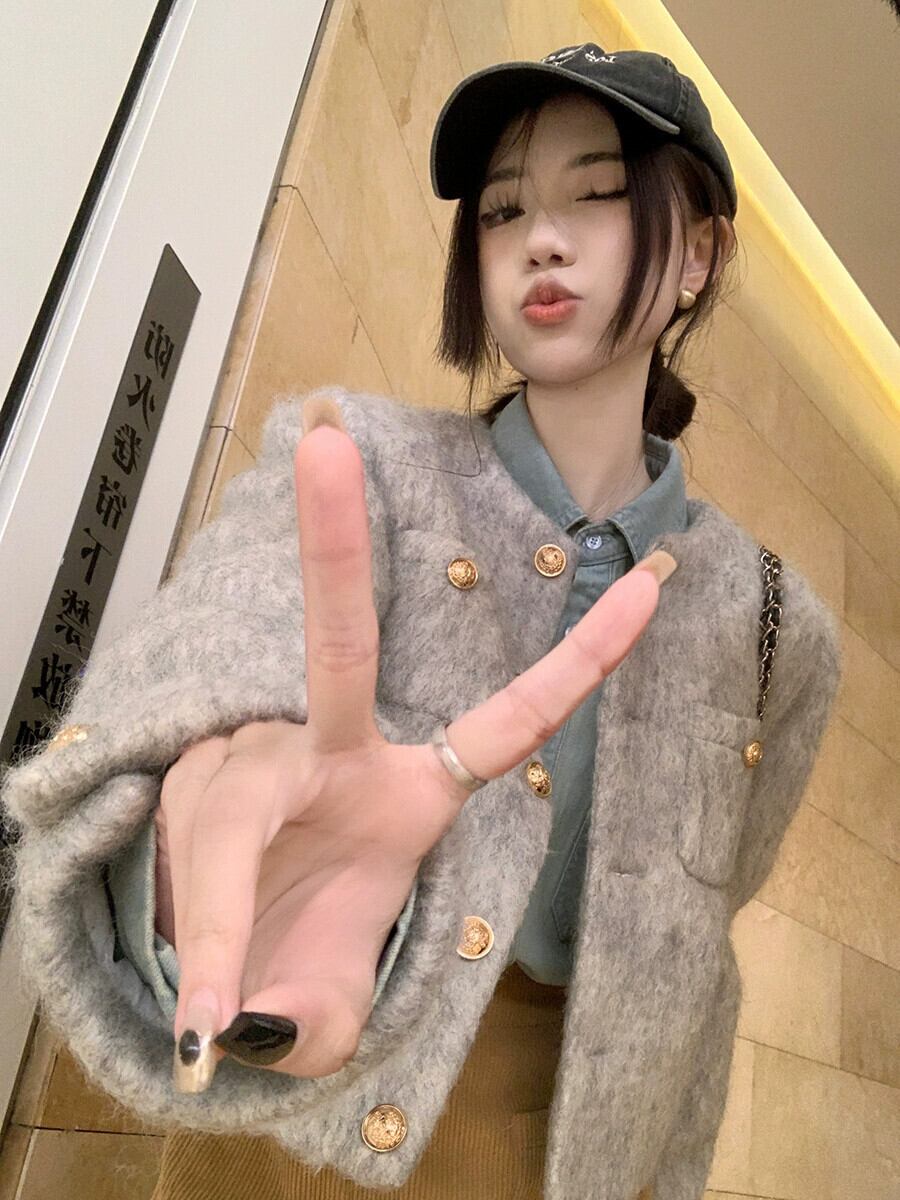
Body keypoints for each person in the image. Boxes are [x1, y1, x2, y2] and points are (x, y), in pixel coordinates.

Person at [0, 43, 841, 1200]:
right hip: (308, 1120)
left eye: (597, 194)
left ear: (699, 254)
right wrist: (190, 847)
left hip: (580, 1152)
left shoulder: (777, 627)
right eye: (503, 210)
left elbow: (708, 914)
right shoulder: (355, 464)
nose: (541, 240)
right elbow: (182, 692)